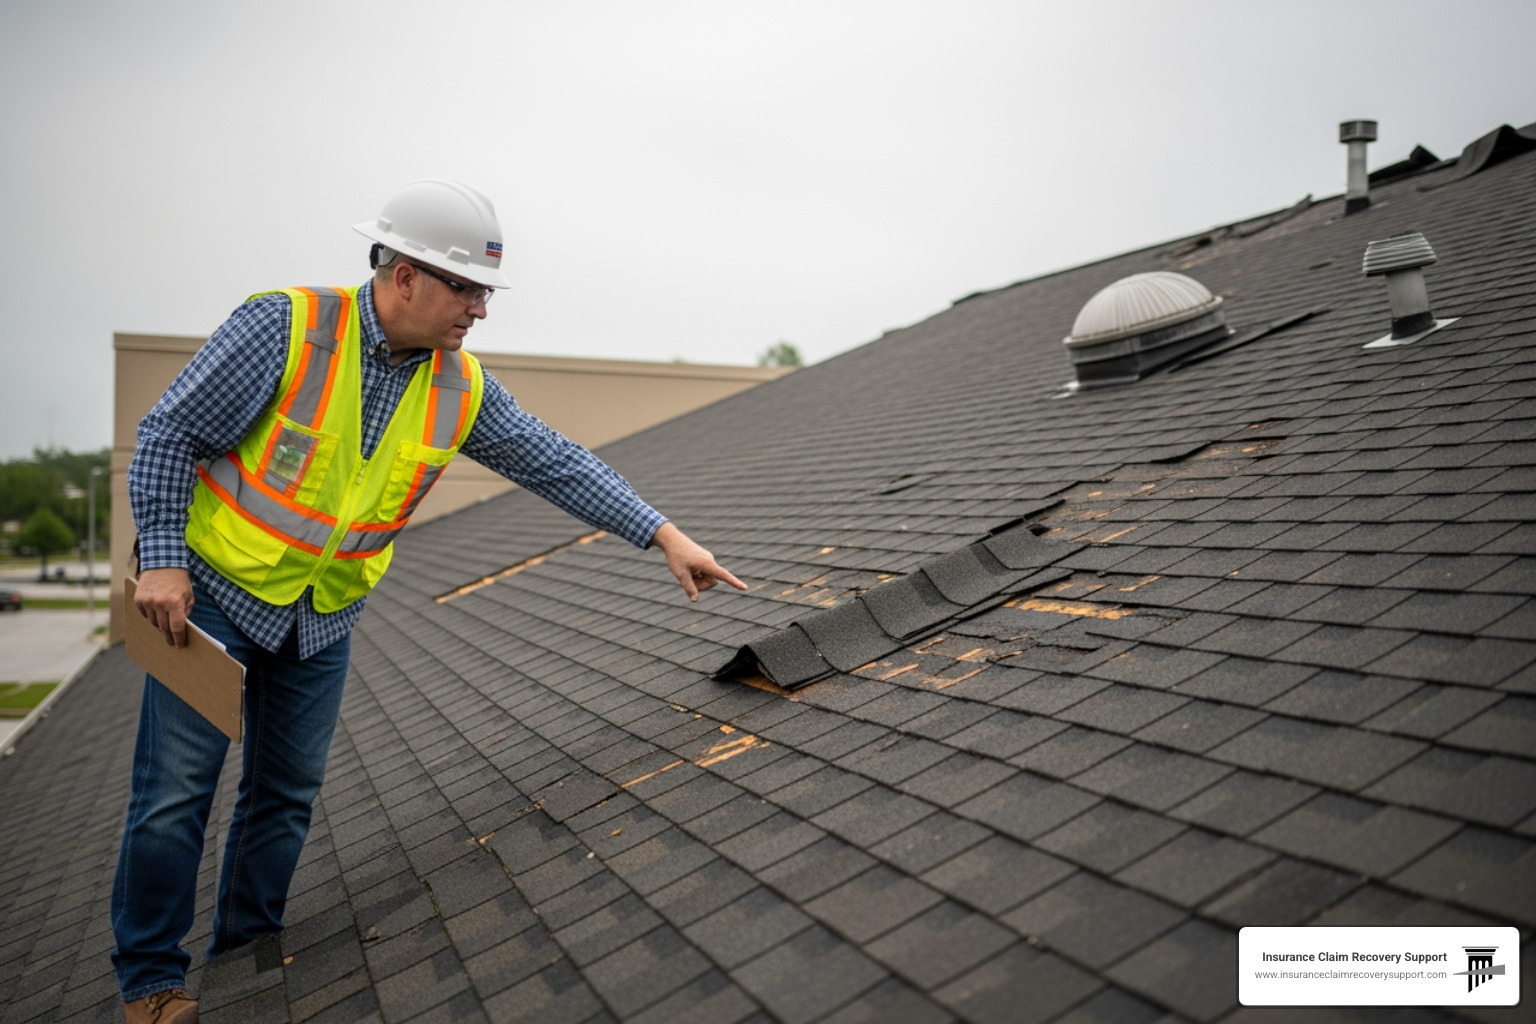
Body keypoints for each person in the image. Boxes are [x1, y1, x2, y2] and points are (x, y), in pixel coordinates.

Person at [114, 178, 745, 1024]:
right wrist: (161, 561)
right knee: (174, 796)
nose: (480, 309)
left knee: (285, 794)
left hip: (321, 618)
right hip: (212, 599)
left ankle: (244, 957)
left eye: (486, 291)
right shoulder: (285, 328)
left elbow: (553, 460)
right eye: (465, 287)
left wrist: (663, 534)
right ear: (402, 274)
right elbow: (168, 435)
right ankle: (152, 985)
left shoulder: (459, 386)